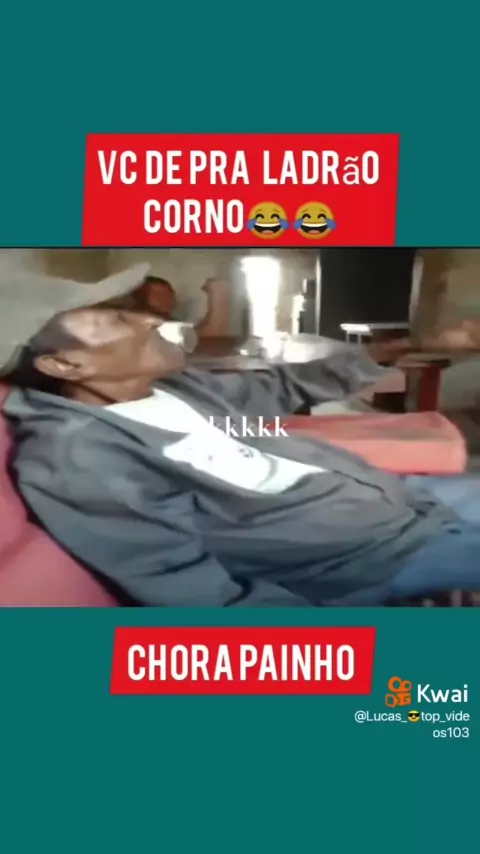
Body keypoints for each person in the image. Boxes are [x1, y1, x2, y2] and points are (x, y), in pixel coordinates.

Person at [2, 264, 480, 607]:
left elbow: (285, 385)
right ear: (63, 364)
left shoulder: (173, 389)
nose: (151, 319)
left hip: (397, 498)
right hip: (367, 557)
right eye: (114, 320)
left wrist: (414, 346)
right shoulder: (80, 457)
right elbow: (175, 575)